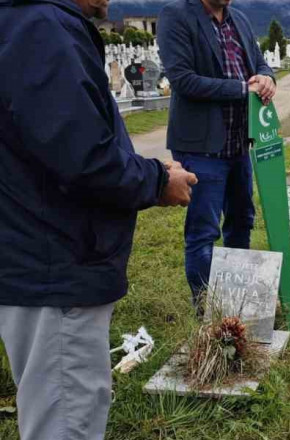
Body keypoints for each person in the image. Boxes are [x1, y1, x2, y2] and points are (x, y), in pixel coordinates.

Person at [0, 0, 197, 436]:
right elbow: (82, 156)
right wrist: (157, 180)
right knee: (67, 421)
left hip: (37, 256)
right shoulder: (41, 26)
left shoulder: (22, 20)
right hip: (58, 266)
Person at [158, 0, 276, 311]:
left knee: (241, 221)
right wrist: (241, 89)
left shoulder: (240, 20)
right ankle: (208, 314)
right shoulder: (177, 16)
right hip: (201, 146)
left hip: (238, 143)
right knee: (203, 232)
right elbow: (182, 80)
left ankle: (237, 307)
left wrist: (266, 78)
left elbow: (260, 64)